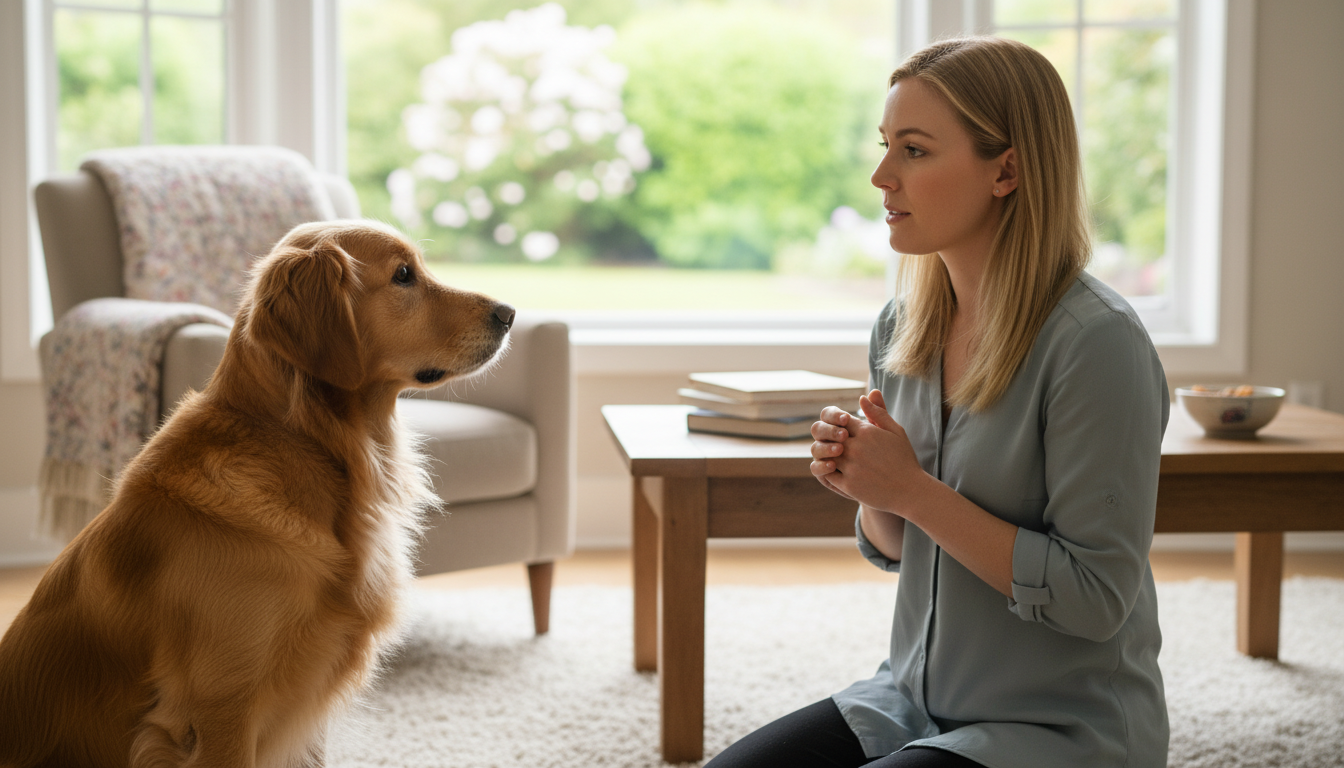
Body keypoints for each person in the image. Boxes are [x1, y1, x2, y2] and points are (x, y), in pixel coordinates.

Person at [704, 36, 1170, 768]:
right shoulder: (902, 328)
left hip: (1057, 730)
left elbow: (1094, 596)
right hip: (907, 702)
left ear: (1006, 170)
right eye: (886, 145)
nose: (881, 176)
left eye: (914, 150)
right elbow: (900, 547)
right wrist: (871, 485)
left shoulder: (1097, 344)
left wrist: (912, 490)